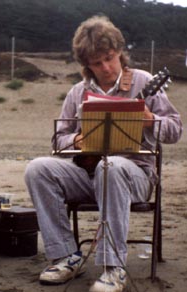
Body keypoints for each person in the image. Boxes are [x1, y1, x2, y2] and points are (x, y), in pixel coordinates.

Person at [24, 15, 182, 292]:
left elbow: (175, 131)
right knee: (37, 168)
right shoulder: (78, 92)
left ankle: (113, 267)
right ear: (87, 65)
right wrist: (77, 138)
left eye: (110, 57)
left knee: (113, 166)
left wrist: (150, 120)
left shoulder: (144, 81)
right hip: (88, 175)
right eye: (97, 63)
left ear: (120, 51)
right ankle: (65, 255)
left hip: (134, 175)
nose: (106, 67)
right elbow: (58, 140)